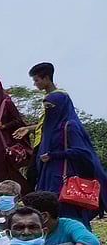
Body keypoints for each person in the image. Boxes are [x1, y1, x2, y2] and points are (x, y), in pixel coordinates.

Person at [34, 92, 107, 227]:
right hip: (48, 178)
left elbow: (82, 152)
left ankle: (80, 244)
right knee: (47, 216)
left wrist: (53, 155)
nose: (49, 110)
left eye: (51, 106)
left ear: (61, 106)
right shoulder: (49, 126)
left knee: (68, 217)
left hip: (63, 180)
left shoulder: (70, 126)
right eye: (46, 107)